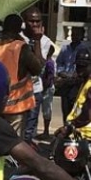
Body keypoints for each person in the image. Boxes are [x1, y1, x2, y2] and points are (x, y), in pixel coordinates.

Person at [0, 14, 43, 138]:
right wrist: (37, 40)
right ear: (19, 29)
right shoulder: (20, 47)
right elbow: (37, 68)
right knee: (13, 143)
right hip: (16, 106)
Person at [59, 48, 91, 140]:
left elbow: (87, 115)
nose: (80, 69)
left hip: (87, 134)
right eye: (78, 66)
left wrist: (69, 127)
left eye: (83, 66)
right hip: (81, 132)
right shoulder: (86, 82)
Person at [22, 7, 54, 142]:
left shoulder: (46, 42)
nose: (35, 25)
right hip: (20, 90)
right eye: (31, 21)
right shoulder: (19, 38)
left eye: (38, 21)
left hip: (35, 89)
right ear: (25, 22)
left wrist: (37, 41)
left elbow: (39, 66)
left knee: (30, 128)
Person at [55, 26, 87, 119]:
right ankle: (66, 127)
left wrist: (78, 74)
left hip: (77, 83)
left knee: (76, 109)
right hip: (65, 82)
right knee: (65, 109)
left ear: (81, 36)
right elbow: (59, 63)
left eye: (77, 35)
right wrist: (62, 73)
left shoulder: (84, 49)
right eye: (73, 34)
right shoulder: (65, 49)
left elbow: (86, 66)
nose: (74, 36)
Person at [36, 45, 56, 140]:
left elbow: (50, 77)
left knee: (47, 110)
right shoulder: (43, 62)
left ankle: (46, 131)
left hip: (47, 89)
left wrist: (44, 87)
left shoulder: (49, 63)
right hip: (42, 88)